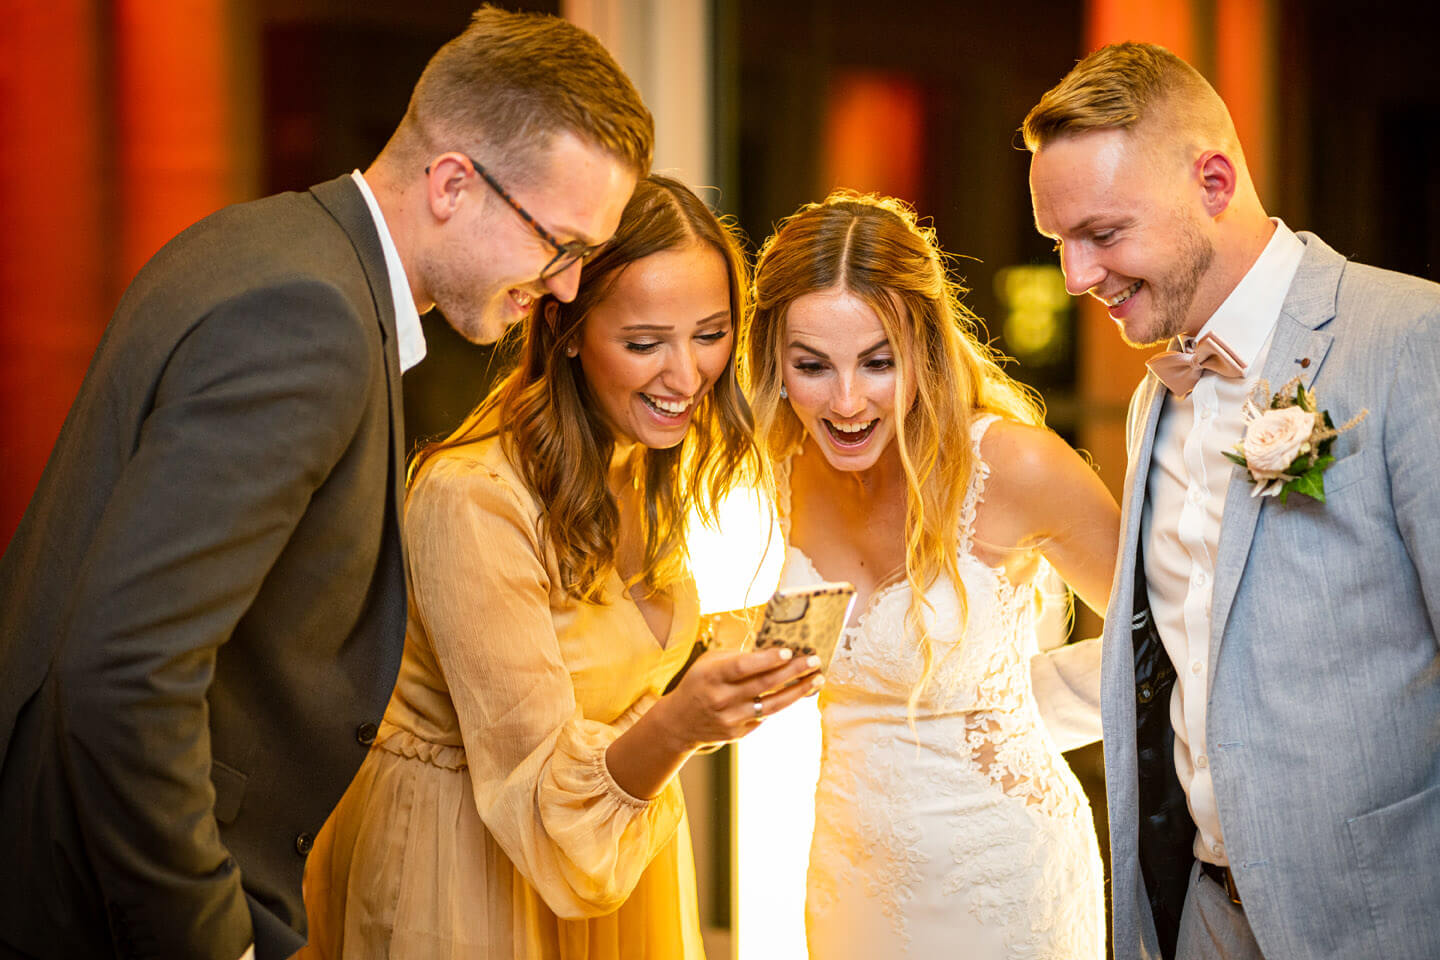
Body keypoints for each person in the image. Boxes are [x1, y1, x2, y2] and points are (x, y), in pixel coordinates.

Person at [0, 9, 651, 960]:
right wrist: (218, 940)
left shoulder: (274, 247)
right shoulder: (311, 319)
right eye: (560, 244)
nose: (565, 287)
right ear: (453, 184)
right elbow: (128, 672)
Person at [300, 174, 822, 960]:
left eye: (710, 334)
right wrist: (681, 723)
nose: (686, 377)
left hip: (613, 861)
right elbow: (541, 801)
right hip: (472, 875)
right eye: (644, 344)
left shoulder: (648, 461)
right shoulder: (474, 499)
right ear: (567, 329)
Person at [1025, 41, 1440, 960]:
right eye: (1059, 244)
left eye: (1102, 234)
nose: (1076, 277)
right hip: (1203, 914)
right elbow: (1180, 651)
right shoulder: (1156, 401)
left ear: (1214, 181)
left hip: (1383, 919)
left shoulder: (1413, 342)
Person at [740, 191, 1120, 958]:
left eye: (878, 362)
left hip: (1000, 875)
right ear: (773, 359)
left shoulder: (1013, 466)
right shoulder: (774, 467)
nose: (846, 401)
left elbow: (1173, 641)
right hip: (849, 872)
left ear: (925, 348)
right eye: (812, 366)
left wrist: (1022, 710)